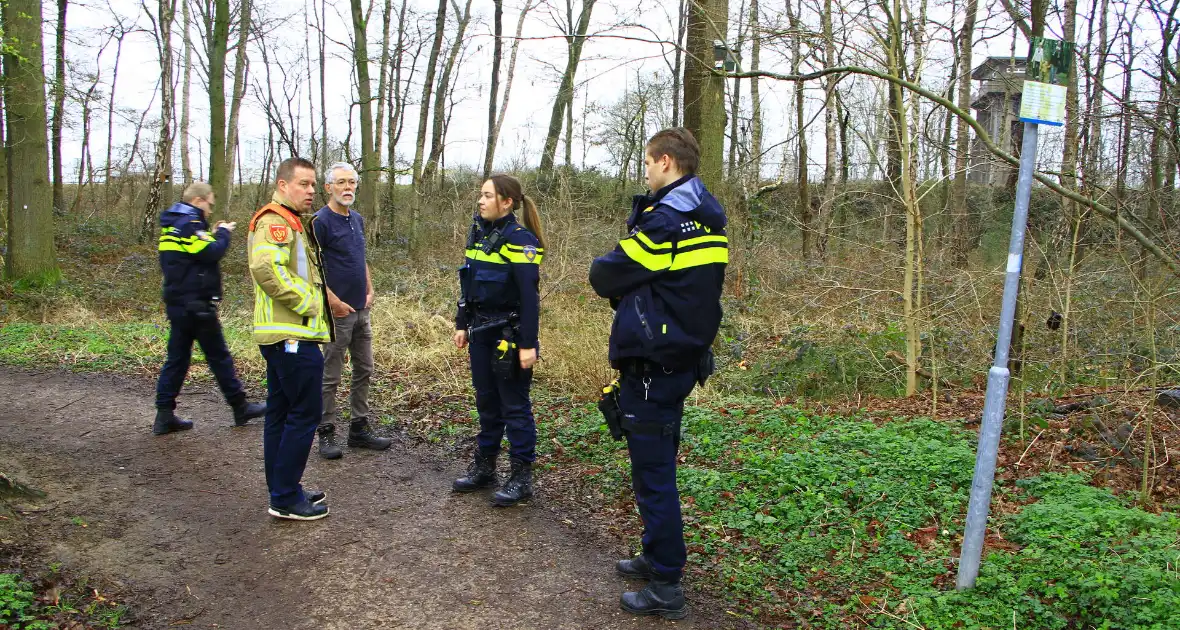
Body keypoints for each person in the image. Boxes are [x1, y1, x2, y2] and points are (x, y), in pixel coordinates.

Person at [589, 128, 728, 619]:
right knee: (657, 462)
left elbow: (605, 273)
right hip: (681, 357)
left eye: (648, 163)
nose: (645, 172)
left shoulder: (668, 218)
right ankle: (655, 554)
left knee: (654, 474)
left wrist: (628, 275)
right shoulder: (708, 211)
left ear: (666, 162)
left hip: (655, 360)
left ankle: (666, 583)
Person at [247, 157, 333, 521]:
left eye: (314, 185)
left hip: (284, 334)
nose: (311, 191)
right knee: (304, 413)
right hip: (292, 335)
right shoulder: (276, 222)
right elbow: (265, 267)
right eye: (304, 184)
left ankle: (284, 489)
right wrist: (310, 302)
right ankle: (284, 496)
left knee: (281, 413)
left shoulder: (292, 223)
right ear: (283, 185)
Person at [451, 174, 545, 507]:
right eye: (481, 194)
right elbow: (468, 283)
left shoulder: (521, 240)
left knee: (514, 405)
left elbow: (529, 299)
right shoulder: (478, 233)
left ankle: (521, 476)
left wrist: (528, 344)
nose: (480, 200)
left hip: (510, 335)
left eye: (487, 195)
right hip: (480, 332)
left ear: (506, 202)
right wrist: (462, 322)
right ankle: (485, 467)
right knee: (487, 402)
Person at [153, 182, 265, 435]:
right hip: (195, 303)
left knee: (178, 359)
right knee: (218, 356)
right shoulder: (189, 223)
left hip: (180, 301)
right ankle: (240, 406)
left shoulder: (175, 224)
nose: (210, 209)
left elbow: (192, 255)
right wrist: (223, 232)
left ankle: (164, 414)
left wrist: (211, 233)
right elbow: (211, 253)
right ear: (199, 200)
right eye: (209, 204)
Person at [311, 162, 392, 459]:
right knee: (330, 374)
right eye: (341, 182)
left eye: (352, 182)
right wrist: (332, 300)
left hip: (361, 309)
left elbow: (361, 259)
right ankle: (326, 432)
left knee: (365, 369)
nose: (348, 187)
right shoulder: (320, 221)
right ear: (328, 187)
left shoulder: (356, 219)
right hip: (337, 313)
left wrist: (370, 289)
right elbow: (313, 268)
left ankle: (359, 428)